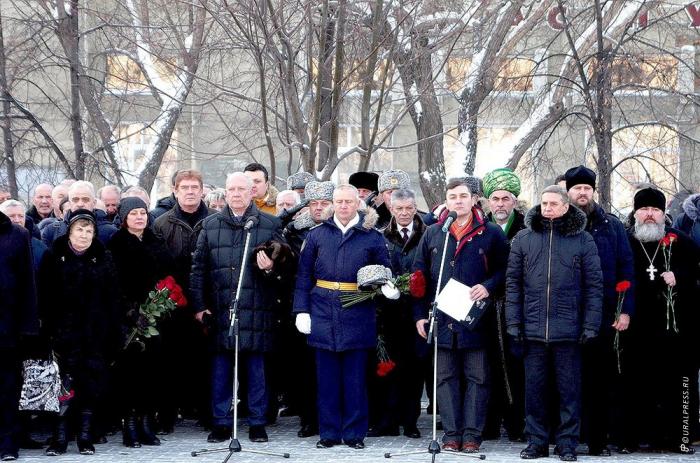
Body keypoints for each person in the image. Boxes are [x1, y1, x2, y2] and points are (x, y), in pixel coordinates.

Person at [506, 185, 603, 462]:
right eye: (544, 203)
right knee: (534, 391)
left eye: (552, 204)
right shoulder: (524, 238)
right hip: (533, 329)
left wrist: (590, 325)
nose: (546, 208)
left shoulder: (582, 239)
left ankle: (567, 443)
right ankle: (536, 441)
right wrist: (513, 323)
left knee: (568, 391)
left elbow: (594, 285)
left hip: (568, 329)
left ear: (565, 207)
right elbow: (513, 283)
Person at [413, 179, 509, 453]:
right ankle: (451, 435)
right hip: (442, 321)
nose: (458, 200)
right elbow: (419, 277)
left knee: (477, 378)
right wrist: (420, 315)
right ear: (446, 201)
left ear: (474, 200)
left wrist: (488, 286)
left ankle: (471, 435)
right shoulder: (434, 233)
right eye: (453, 196)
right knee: (444, 378)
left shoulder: (490, 233)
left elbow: (505, 271)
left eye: (463, 196)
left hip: (475, 322)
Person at [293, 184, 391, 450]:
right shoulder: (317, 235)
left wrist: (388, 287)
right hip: (323, 310)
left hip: (357, 310)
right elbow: (303, 276)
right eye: (339, 201)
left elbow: (385, 269)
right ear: (332, 204)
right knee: (326, 380)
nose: (344, 206)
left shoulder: (371, 236)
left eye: (349, 201)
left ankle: (354, 433)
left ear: (358, 203)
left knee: (356, 379)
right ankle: (329, 432)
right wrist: (301, 310)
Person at [191, 172, 285, 444]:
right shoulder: (209, 225)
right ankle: (220, 422)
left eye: (241, 189)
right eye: (230, 189)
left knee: (256, 371)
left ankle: (257, 422)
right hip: (221, 309)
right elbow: (198, 270)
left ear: (251, 192)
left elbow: (286, 268)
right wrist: (198, 305)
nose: (235, 194)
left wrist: (271, 269)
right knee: (221, 371)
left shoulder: (269, 223)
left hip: (257, 309)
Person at [563, 166, 635, 455]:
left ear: (593, 191)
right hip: (566, 314)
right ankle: (567, 436)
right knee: (567, 379)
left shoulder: (611, 226)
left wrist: (625, 310)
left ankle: (597, 439)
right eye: (577, 188)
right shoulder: (559, 222)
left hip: (604, 313)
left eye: (587, 188)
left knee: (599, 379)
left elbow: (626, 267)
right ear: (568, 191)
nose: (582, 192)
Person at [625, 187, 699, 454]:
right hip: (636, 328)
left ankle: (679, 438)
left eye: (655, 210)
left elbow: (696, 275)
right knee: (636, 384)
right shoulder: (626, 241)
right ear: (635, 213)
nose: (649, 215)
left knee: (676, 384)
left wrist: (679, 276)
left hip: (674, 330)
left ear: (663, 213)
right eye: (644, 209)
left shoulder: (682, 242)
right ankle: (633, 438)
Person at [44, 210, 121, 456]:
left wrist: (110, 329)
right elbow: (45, 297)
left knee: (90, 384)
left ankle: (85, 437)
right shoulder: (54, 256)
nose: (84, 235)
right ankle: (59, 438)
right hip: (62, 333)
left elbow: (112, 297)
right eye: (80, 230)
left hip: (93, 333)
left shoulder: (103, 257)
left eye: (89, 231)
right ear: (70, 231)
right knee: (62, 385)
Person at [107, 197, 176, 448]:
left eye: (143, 213)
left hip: (156, 317)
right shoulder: (116, 244)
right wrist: (130, 311)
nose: (140, 217)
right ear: (124, 217)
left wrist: (163, 302)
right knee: (130, 374)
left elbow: (169, 273)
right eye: (134, 213)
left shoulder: (155, 241)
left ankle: (147, 421)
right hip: (129, 320)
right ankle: (130, 424)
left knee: (152, 373)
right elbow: (113, 283)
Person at [153, 170, 214, 432]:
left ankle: (207, 412)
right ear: (175, 191)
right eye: (184, 187)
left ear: (202, 191)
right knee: (170, 360)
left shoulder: (215, 221)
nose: (190, 192)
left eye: (194, 187)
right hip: (172, 301)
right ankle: (167, 414)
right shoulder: (161, 223)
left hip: (207, 299)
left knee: (206, 360)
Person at [368, 188, 427, 439]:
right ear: (391, 208)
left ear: (415, 209)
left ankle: (410, 421)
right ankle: (387, 421)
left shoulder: (428, 235)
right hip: (388, 314)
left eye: (408, 208)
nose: (404, 213)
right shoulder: (380, 237)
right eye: (398, 208)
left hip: (417, 314)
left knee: (414, 370)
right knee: (387, 369)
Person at [281, 181, 334, 438]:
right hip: (303, 303)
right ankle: (308, 418)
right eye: (314, 203)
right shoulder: (293, 233)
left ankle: (331, 417)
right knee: (304, 367)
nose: (319, 208)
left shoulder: (342, 229)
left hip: (334, 304)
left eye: (325, 203)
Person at [481, 168, 527, 442]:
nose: (500, 204)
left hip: (516, 306)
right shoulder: (480, 228)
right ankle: (488, 422)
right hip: (485, 305)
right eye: (495, 198)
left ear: (514, 201)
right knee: (485, 366)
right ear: (487, 201)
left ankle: (516, 421)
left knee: (516, 365)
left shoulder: (526, 227)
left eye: (505, 198)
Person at [0, 209, 38, 461]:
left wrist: (28, 325)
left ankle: (7, 442)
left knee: (7, 386)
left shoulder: (16, 234)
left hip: (6, 326)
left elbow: (27, 283)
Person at [41, 181, 118, 246]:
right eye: (75, 200)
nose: (80, 204)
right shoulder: (52, 231)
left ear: (94, 203)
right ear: (69, 203)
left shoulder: (111, 233)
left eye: (85, 199)